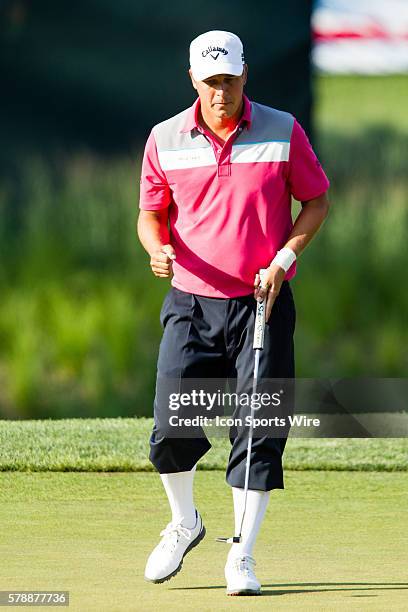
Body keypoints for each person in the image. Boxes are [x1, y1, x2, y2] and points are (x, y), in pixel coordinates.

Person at [137, 30, 330, 596]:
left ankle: (241, 556)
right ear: (193, 80)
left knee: (258, 427)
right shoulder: (164, 138)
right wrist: (156, 248)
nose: (221, 92)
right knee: (172, 422)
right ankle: (185, 521)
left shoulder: (282, 130)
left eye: (230, 80)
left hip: (263, 302)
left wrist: (285, 256)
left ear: (246, 75)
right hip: (191, 301)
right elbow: (151, 212)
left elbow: (315, 200)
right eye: (210, 82)